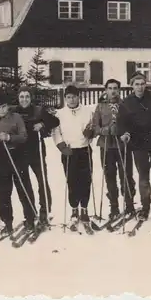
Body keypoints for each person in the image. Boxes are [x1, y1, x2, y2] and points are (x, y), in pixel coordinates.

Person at [117, 72, 151, 221]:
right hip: (138, 144)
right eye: (136, 84)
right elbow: (122, 122)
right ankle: (145, 207)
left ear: (145, 84)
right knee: (143, 177)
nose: (140, 87)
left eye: (142, 84)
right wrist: (125, 133)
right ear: (132, 86)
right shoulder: (126, 103)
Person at [0, 92, 36, 234]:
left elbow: (24, 136)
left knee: (23, 187)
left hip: (18, 155)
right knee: (4, 191)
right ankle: (7, 221)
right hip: (1, 157)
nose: (2, 110)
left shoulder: (16, 117)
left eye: (4, 106)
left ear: (7, 106)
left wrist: (8, 137)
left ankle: (30, 218)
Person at [91, 79, 136, 220]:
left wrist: (127, 133)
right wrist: (105, 130)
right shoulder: (100, 107)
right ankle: (114, 206)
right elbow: (94, 127)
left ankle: (129, 204)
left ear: (119, 90)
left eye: (115, 88)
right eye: (110, 88)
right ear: (105, 90)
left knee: (126, 175)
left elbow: (132, 124)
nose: (113, 91)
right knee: (110, 176)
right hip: (106, 146)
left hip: (123, 145)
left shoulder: (126, 105)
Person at [14, 87, 60, 225]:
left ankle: (45, 210)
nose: (24, 99)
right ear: (18, 98)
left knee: (42, 180)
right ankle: (29, 212)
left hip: (36, 150)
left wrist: (42, 123)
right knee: (24, 183)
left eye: (27, 96)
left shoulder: (38, 110)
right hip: (20, 152)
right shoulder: (14, 112)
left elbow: (55, 121)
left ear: (31, 98)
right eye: (21, 96)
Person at [52, 85, 95, 228]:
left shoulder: (87, 111)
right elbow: (56, 132)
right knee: (72, 181)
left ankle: (84, 209)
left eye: (74, 96)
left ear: (79, 97)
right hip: (69, 152)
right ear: (65, 98)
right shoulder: (59, 114)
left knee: (86, 180)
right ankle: (74, 209)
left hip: (84, 150)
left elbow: (92, 127)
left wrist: (91, 134)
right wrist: (61, 146)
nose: (71, 99)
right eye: (69, 97)